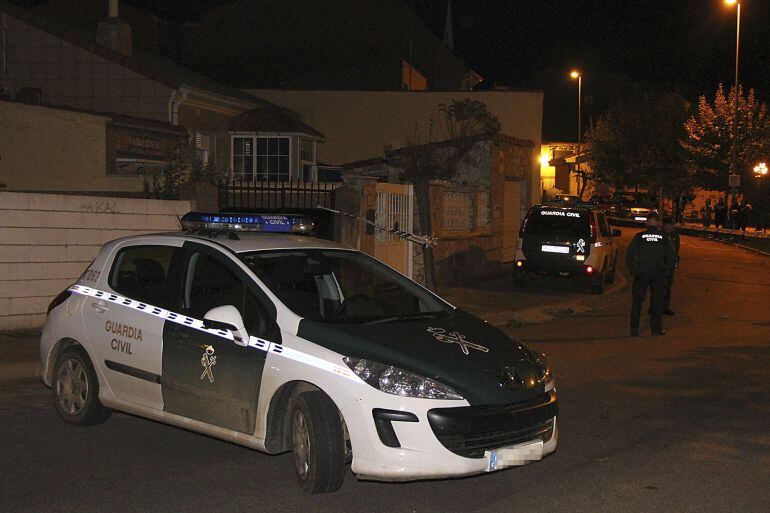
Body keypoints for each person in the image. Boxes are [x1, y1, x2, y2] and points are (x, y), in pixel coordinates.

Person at [626, 217, 676, 337]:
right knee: (657, 302)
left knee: (637, 301)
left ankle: (634, 328)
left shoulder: (639, 236)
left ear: (647, 223)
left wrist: (633, 269)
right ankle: (655, 329)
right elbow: (672, 256)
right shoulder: (663, 237)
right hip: (658, 273)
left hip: (641, 272)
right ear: (658, 224)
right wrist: (667, 272)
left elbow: (629, 254)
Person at [661, 217, 680, 316]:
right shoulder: (660, 236)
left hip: (670, 266)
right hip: (661, 267)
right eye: (668, 225)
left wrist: (675, 261)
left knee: (667, 288)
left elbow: (676, 250)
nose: (670, 227)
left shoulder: (675, 236)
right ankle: (655, 307)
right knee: (659, 288)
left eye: (671, 225)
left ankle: (665, 307)